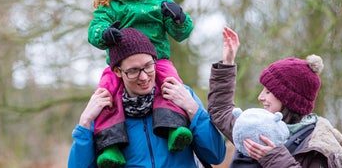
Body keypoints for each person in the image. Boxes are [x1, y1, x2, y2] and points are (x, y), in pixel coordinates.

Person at [87, 0, 194, 166]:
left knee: (172, 86)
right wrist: (105, 34)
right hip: (121, 67)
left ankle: (174, 128)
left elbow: (181, 33)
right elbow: (95, 30)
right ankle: (111, 146)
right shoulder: (110, 7)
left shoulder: (158, 1)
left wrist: (179, 18)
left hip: (158, 61)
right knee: (105, 95)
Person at [69, 28, 226, 168]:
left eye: (149, 66)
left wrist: (193, 109)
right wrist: (85, 123)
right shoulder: (103, 109)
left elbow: (216, 155)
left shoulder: (181, 94)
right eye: (133, 70)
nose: (144, 77)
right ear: (117, 72)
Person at [207, 26, 342, 167]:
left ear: (288, 99)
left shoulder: (321, 148)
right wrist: (227, 62)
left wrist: (273, 158)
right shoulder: (255, 126)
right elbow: (221, 110)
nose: (260, 97)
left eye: (268, 92)